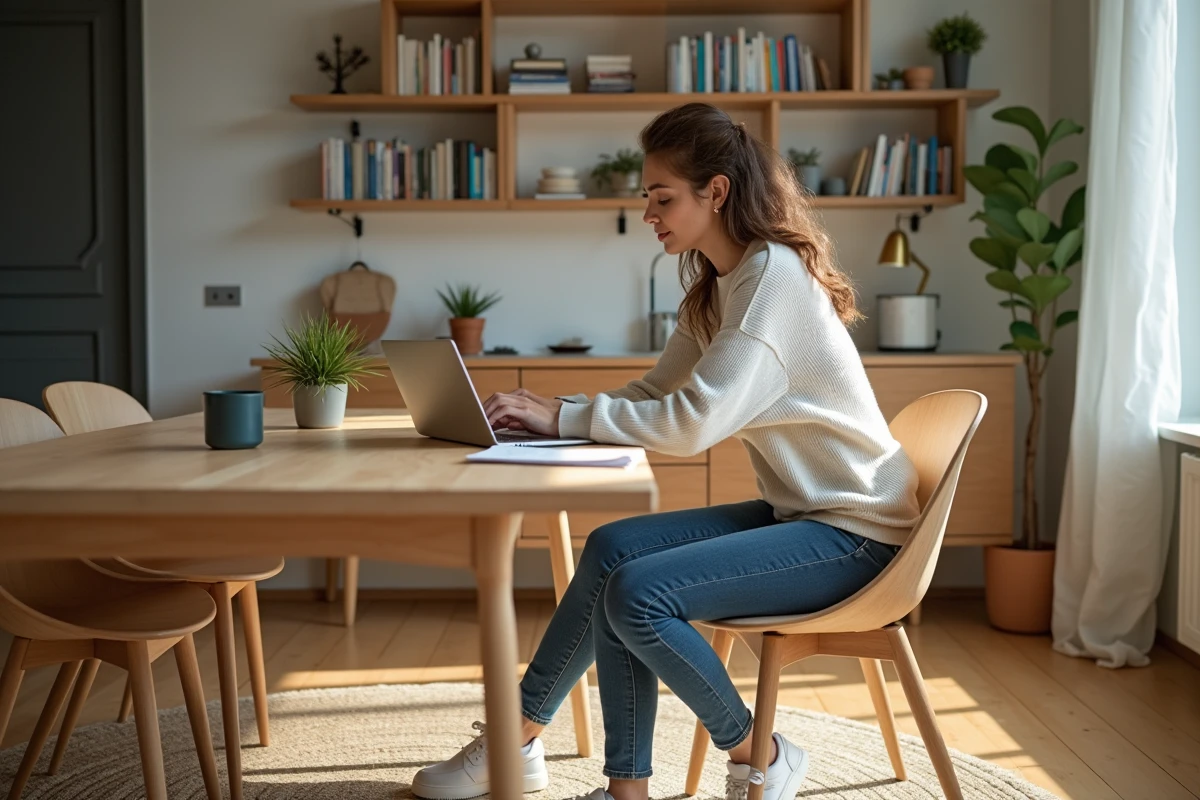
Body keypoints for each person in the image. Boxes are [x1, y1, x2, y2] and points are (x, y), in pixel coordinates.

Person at [411, 102, 921, 800]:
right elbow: (656, 391)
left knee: (639, 594)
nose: (649, 213)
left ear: (716, 192)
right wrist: (548, 419)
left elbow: (691, 423)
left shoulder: (771, 280)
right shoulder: (718, 283)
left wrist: (563, 415)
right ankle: (541, 750)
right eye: (647, 197)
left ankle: (762, 752)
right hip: (802, 515)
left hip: (856, 536)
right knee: (611, 549)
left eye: (663, 197)